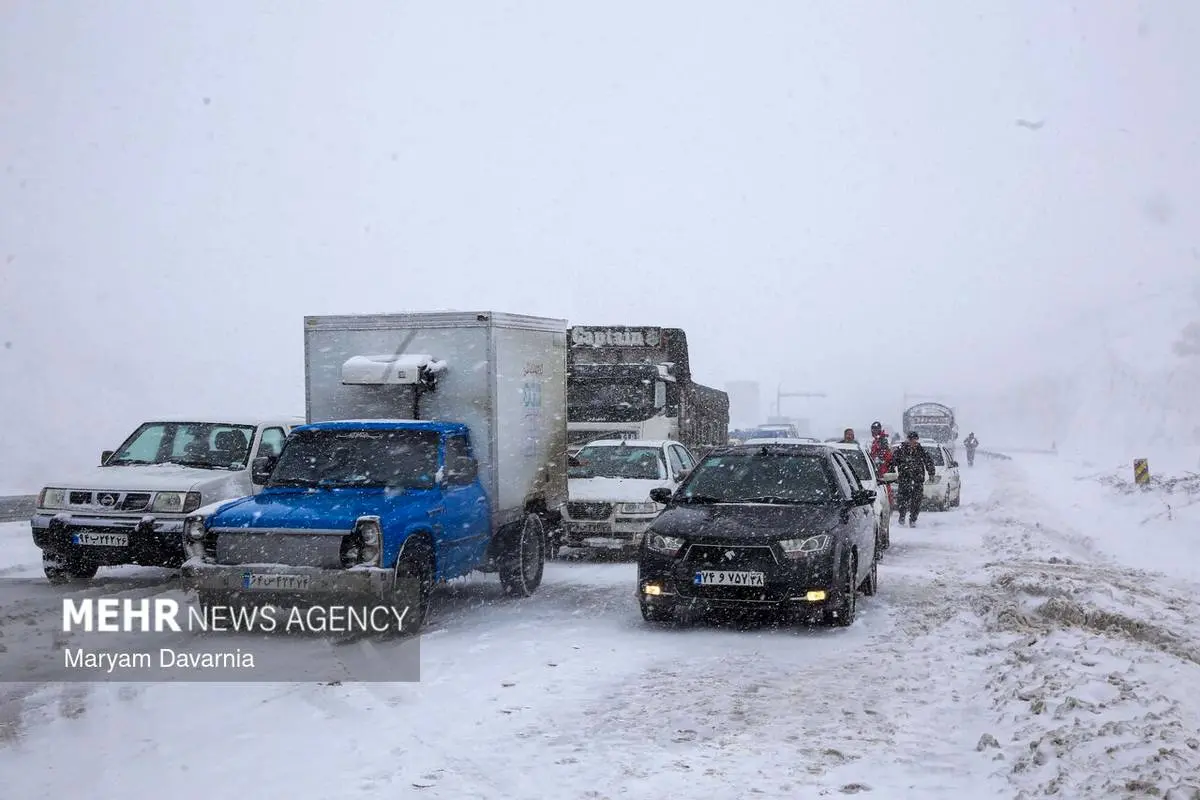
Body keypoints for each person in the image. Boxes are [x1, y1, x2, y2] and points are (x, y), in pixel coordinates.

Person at [891, 432, 936, 527]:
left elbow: (928, 461)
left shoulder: (920, 450)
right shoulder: (901, 450)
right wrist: (893, 472)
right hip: (904, 478)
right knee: (902, 499)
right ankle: (902, 516)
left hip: (917, 479)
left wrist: (931, 473)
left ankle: (913, 519)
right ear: (908, 440)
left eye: (915, 440)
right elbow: (893, 462)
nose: (913, 442)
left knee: (917, 500)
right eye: (911, 440)